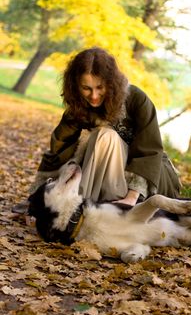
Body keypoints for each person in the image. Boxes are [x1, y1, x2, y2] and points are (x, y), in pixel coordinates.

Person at [13, 46, 181, 214]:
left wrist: (131, 198)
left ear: (111, 83)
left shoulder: (137, 99)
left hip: (145, 181)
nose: (93, 96)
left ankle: (91, 207)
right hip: (96, 179)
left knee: (105, 136)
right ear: (75, 86)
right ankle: (82, 206)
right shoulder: (78, 108)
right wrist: (35, 198)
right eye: (86, 88)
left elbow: (150, 152)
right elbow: (59, 150)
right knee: (94, 140)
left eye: (100, 87)